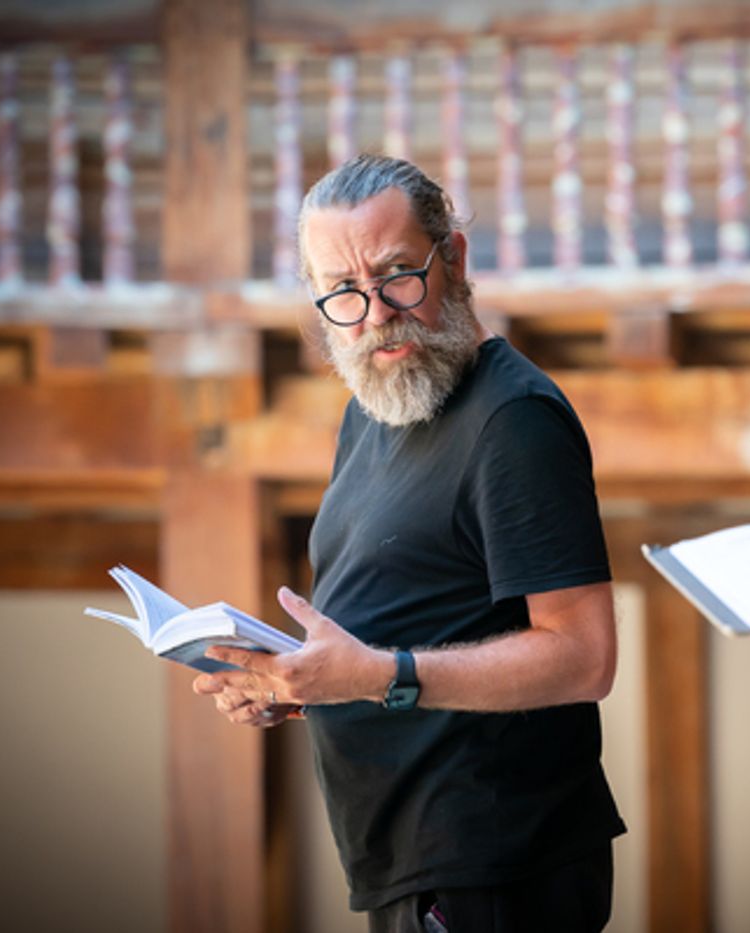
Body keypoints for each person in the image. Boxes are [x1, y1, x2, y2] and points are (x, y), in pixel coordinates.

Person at [191, 154, 625, 933]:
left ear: (453, 260)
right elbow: (405, 633)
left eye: (397, 275)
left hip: (495, 864)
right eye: (343, 294)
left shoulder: (513, 421)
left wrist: (377, 674)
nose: (375, 314)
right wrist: (300, 683)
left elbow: (585, 655)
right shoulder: (372, 411)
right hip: (413, 862)